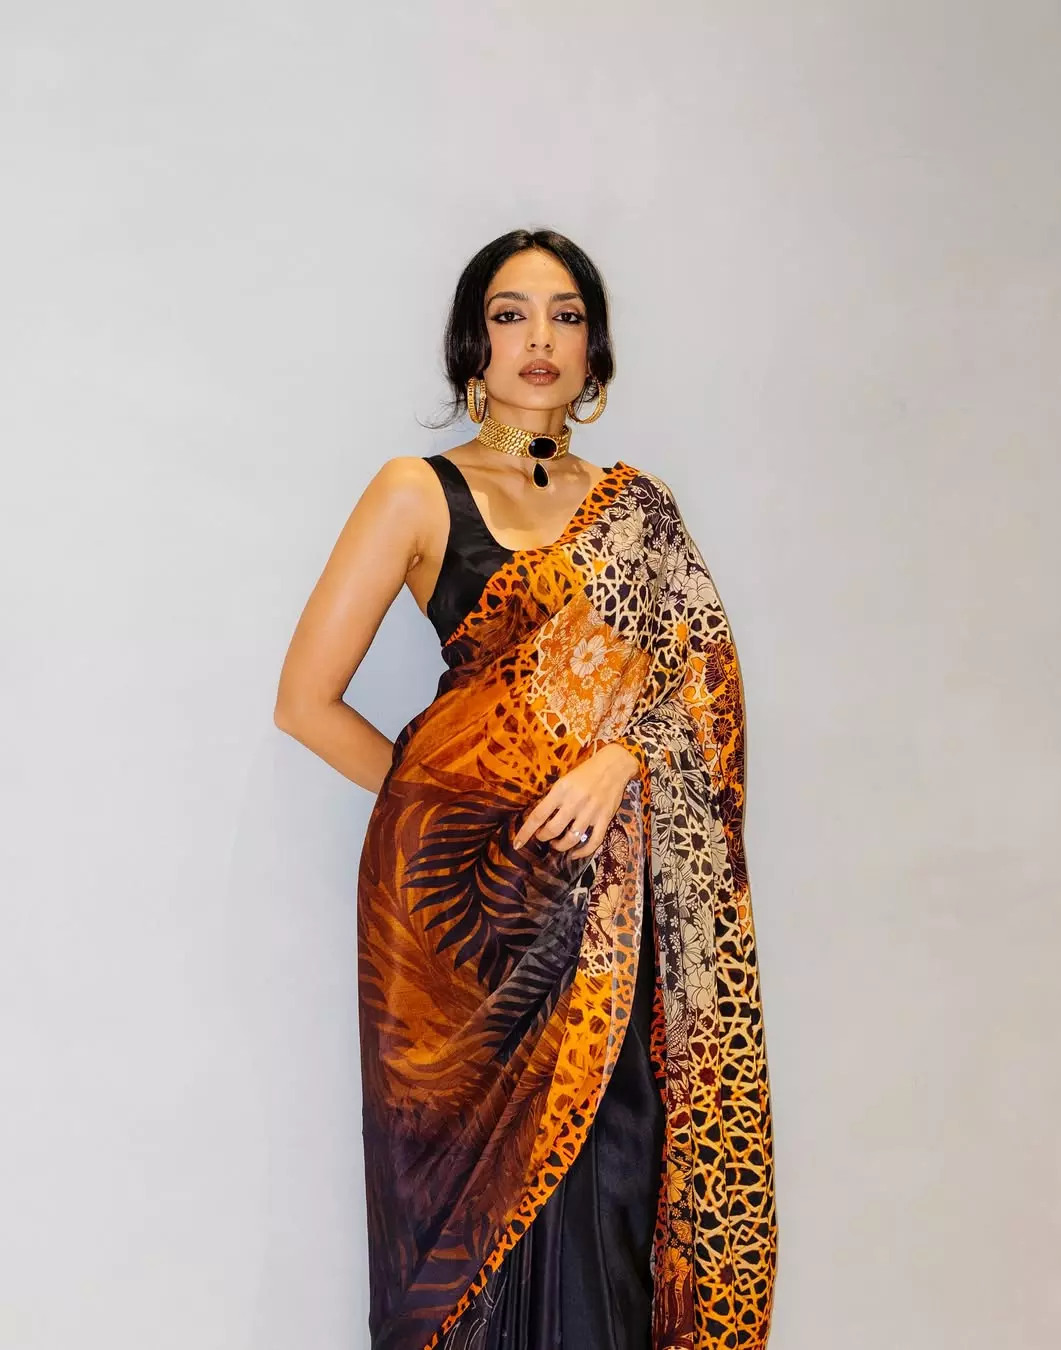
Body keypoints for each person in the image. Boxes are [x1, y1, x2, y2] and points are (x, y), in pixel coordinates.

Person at [274, 228, 777, 1350]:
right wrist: (458, 823)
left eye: (565, 314)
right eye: (511, 314)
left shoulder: (641, 514)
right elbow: (305, 702)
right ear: (474, 343)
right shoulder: (416, 491)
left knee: (610, 1189)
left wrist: (623, 756)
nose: (539, 337)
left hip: (609, 913)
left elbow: (706, 690)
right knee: (465, 1237)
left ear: (595, 348)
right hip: (463, 932)